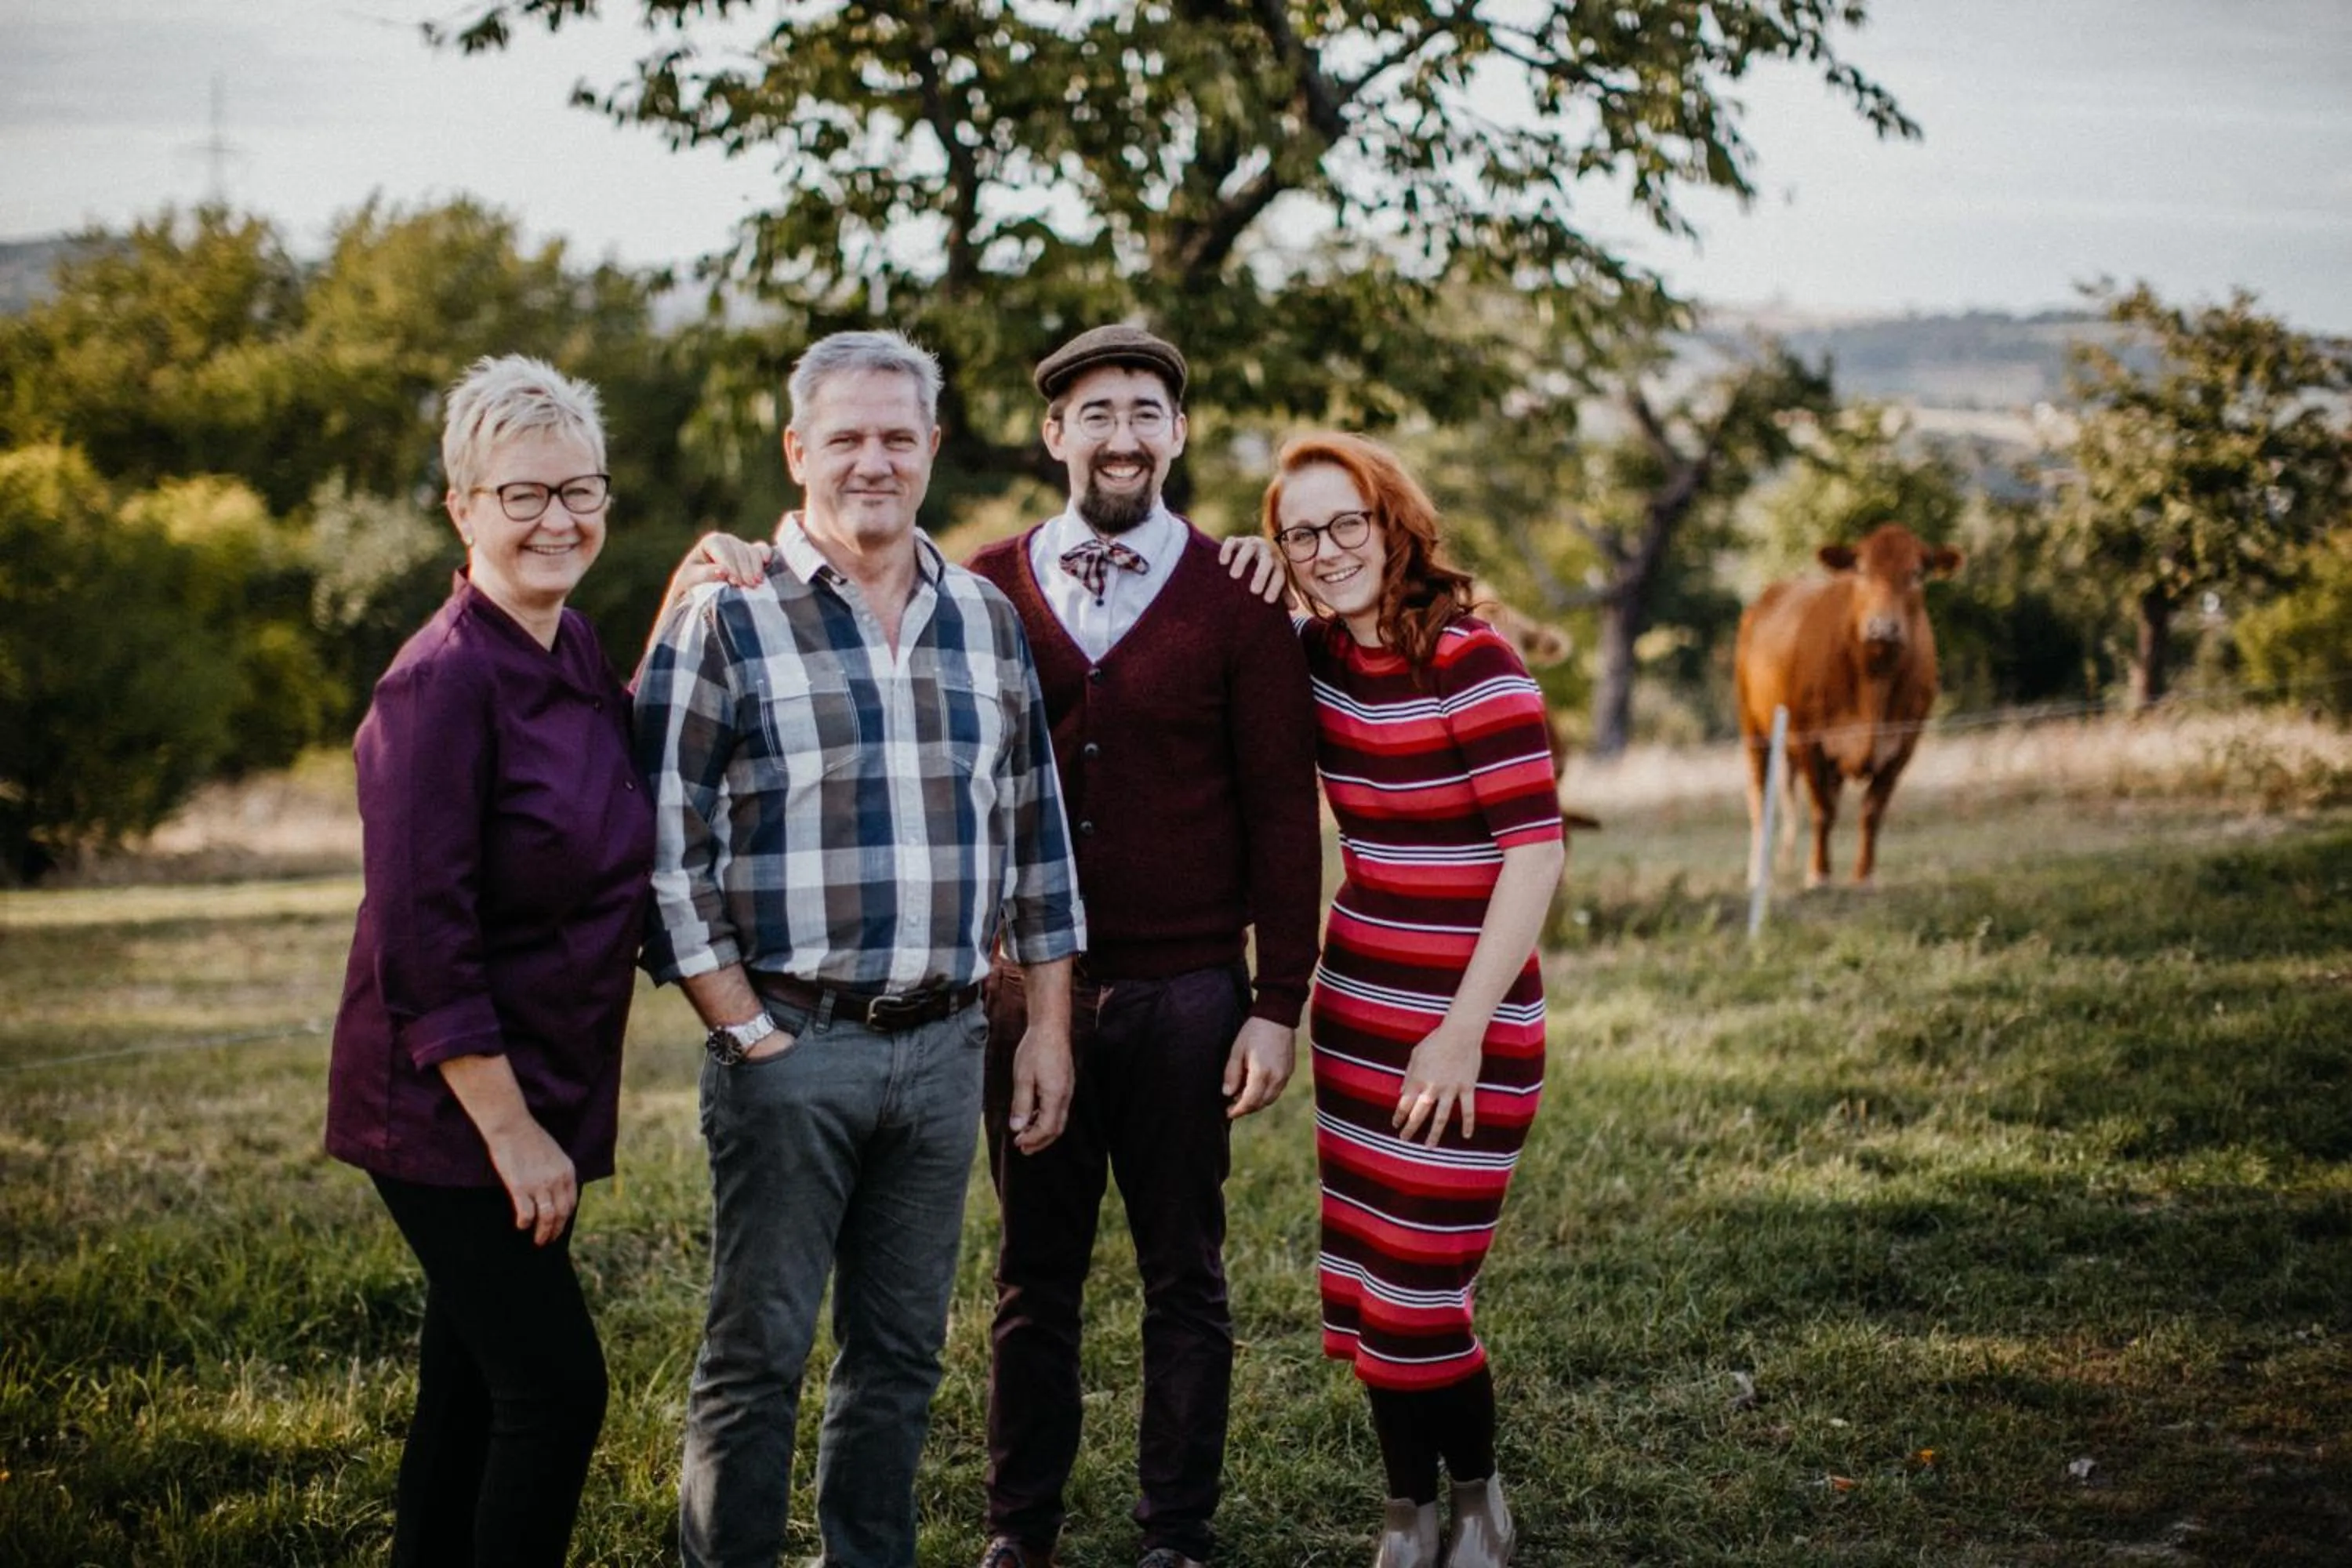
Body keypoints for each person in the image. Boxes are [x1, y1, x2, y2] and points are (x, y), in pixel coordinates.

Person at [633, 328, 1087, 1568]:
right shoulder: (724, 617)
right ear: (798, 451)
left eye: (898, 436)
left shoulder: (987, 619)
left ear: (933, 446)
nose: (873, 460)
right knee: (757, 1357)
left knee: (899, 1358)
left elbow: (1036, 834)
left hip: (945, 1050)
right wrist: (741, 1023)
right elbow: (661, 846)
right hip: (790, 1045)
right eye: (846, 437)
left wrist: (1045, 1023)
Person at [963, 325, 1323, 1568]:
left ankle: (1176, 1531)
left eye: (1146, 412)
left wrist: (1278, 1001)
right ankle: (1021, 1530)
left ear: (1177, 433)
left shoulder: (1240, 597)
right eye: (1095, 412)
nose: (1122, 435)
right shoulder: (980, 585)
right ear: (1055, 433)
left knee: (1187, 1273)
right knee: (1033, 1276)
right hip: (1024, 995)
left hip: (1187, 996)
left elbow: (1283, 808)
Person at [325, 354, 666, 1567]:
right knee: (555, 1393)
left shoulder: (570, 649)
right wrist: (514, 1134)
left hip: (549, 1082)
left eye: (580, 490)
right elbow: (424, 944)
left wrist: (690, 598)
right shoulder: (437, 686)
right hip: (450, 1108)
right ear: (462, 508)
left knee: (469, 1389)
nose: (557, 519)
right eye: (521, 495)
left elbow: (614, 773)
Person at [1255, 432, 1566, 1568]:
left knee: (1417, 1300)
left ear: (1395, 526)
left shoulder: (1476, 663)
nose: (1330, 550)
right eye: (1302, 533)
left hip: (1468, 1030)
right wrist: (1241, 566)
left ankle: (1476, 1492)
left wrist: (1460, 1036)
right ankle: (1407, 1511)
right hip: (1358, 1016)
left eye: (1350, 524)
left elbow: (1533, 856)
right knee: (1364, 1285)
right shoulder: (1315, 659)